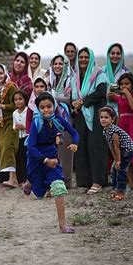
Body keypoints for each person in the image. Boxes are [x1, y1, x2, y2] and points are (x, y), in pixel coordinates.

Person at [26, 92, 79, 233]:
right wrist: (45, 160)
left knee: (58, 187)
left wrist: (75, 143)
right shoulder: (36, 123)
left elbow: (74, 132)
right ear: (38, 108)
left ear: (53, 106)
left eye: (49, 106)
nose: (46, 110)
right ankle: (29, 181)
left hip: (53, 160)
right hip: (37, 160)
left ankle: (63, 225)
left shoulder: (58, 119)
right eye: (42, 107)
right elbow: (31, 147)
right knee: (38, 189)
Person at [70, 47, 108, 194]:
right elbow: (73, 96)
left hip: (95, 114)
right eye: (81, 57)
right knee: (82, 146)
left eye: (86, 57)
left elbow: (100, 93)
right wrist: (74, 103)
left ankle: (98, 181)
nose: (83, 59)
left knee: (96, 146)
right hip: (80, 115)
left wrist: (83, 101)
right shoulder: (76, 77)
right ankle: (85, 180)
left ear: (91, 58)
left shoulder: (98, 74)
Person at [108, 73, 133, 190]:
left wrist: (128, 93)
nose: (124, 86)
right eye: (122, 84)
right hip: (123, 127)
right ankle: (130, 183)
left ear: (132, 85)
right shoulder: (119, 98)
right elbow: (109, 95)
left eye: (127, 84)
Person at [0, 64, 19, 188]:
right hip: (1, 123)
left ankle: (13, 179)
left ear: (5, 73)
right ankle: (12, 179)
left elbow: (16, 105)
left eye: (0, 73)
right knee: (3, 148)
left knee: (9, 147)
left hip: (11, 121)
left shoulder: (11, 87)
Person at [47, 54, 74, 188]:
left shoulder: (71, 80)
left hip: (66, 118)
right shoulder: (49, 80)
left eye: (60, 64)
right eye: (55, 64)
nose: (57, 66)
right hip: (51, 118)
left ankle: (66, 181)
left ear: (65, 65)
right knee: (53, 149)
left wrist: (55, 98)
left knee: (66, 150)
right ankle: (55, 180)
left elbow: (72, 98)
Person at [99, 106, 133, 201]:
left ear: (113, 119)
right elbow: (110, 146)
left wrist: (119, 160)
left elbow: (116, 146)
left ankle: (121, 192)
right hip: (120, 151)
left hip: (127, 150)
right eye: (101, 117)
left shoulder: (114, 130)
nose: (103, 119)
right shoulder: (105, 131)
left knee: (121, 170)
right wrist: (116, 159)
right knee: (115, 169)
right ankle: (116, 189)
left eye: (106, 117)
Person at [12, 90, 30, 185]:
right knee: (19, 158)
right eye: (16, 100)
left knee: (26, 157)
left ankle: (28, 178)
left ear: (25, 100)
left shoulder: (28, 111)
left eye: (20, 99)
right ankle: (21, 179)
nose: (18, 101)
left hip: (27, 138)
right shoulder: (15, 113)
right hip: (19, 138)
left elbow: (31, 126)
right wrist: (16, 127)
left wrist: (24, 127)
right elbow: (14, 126)